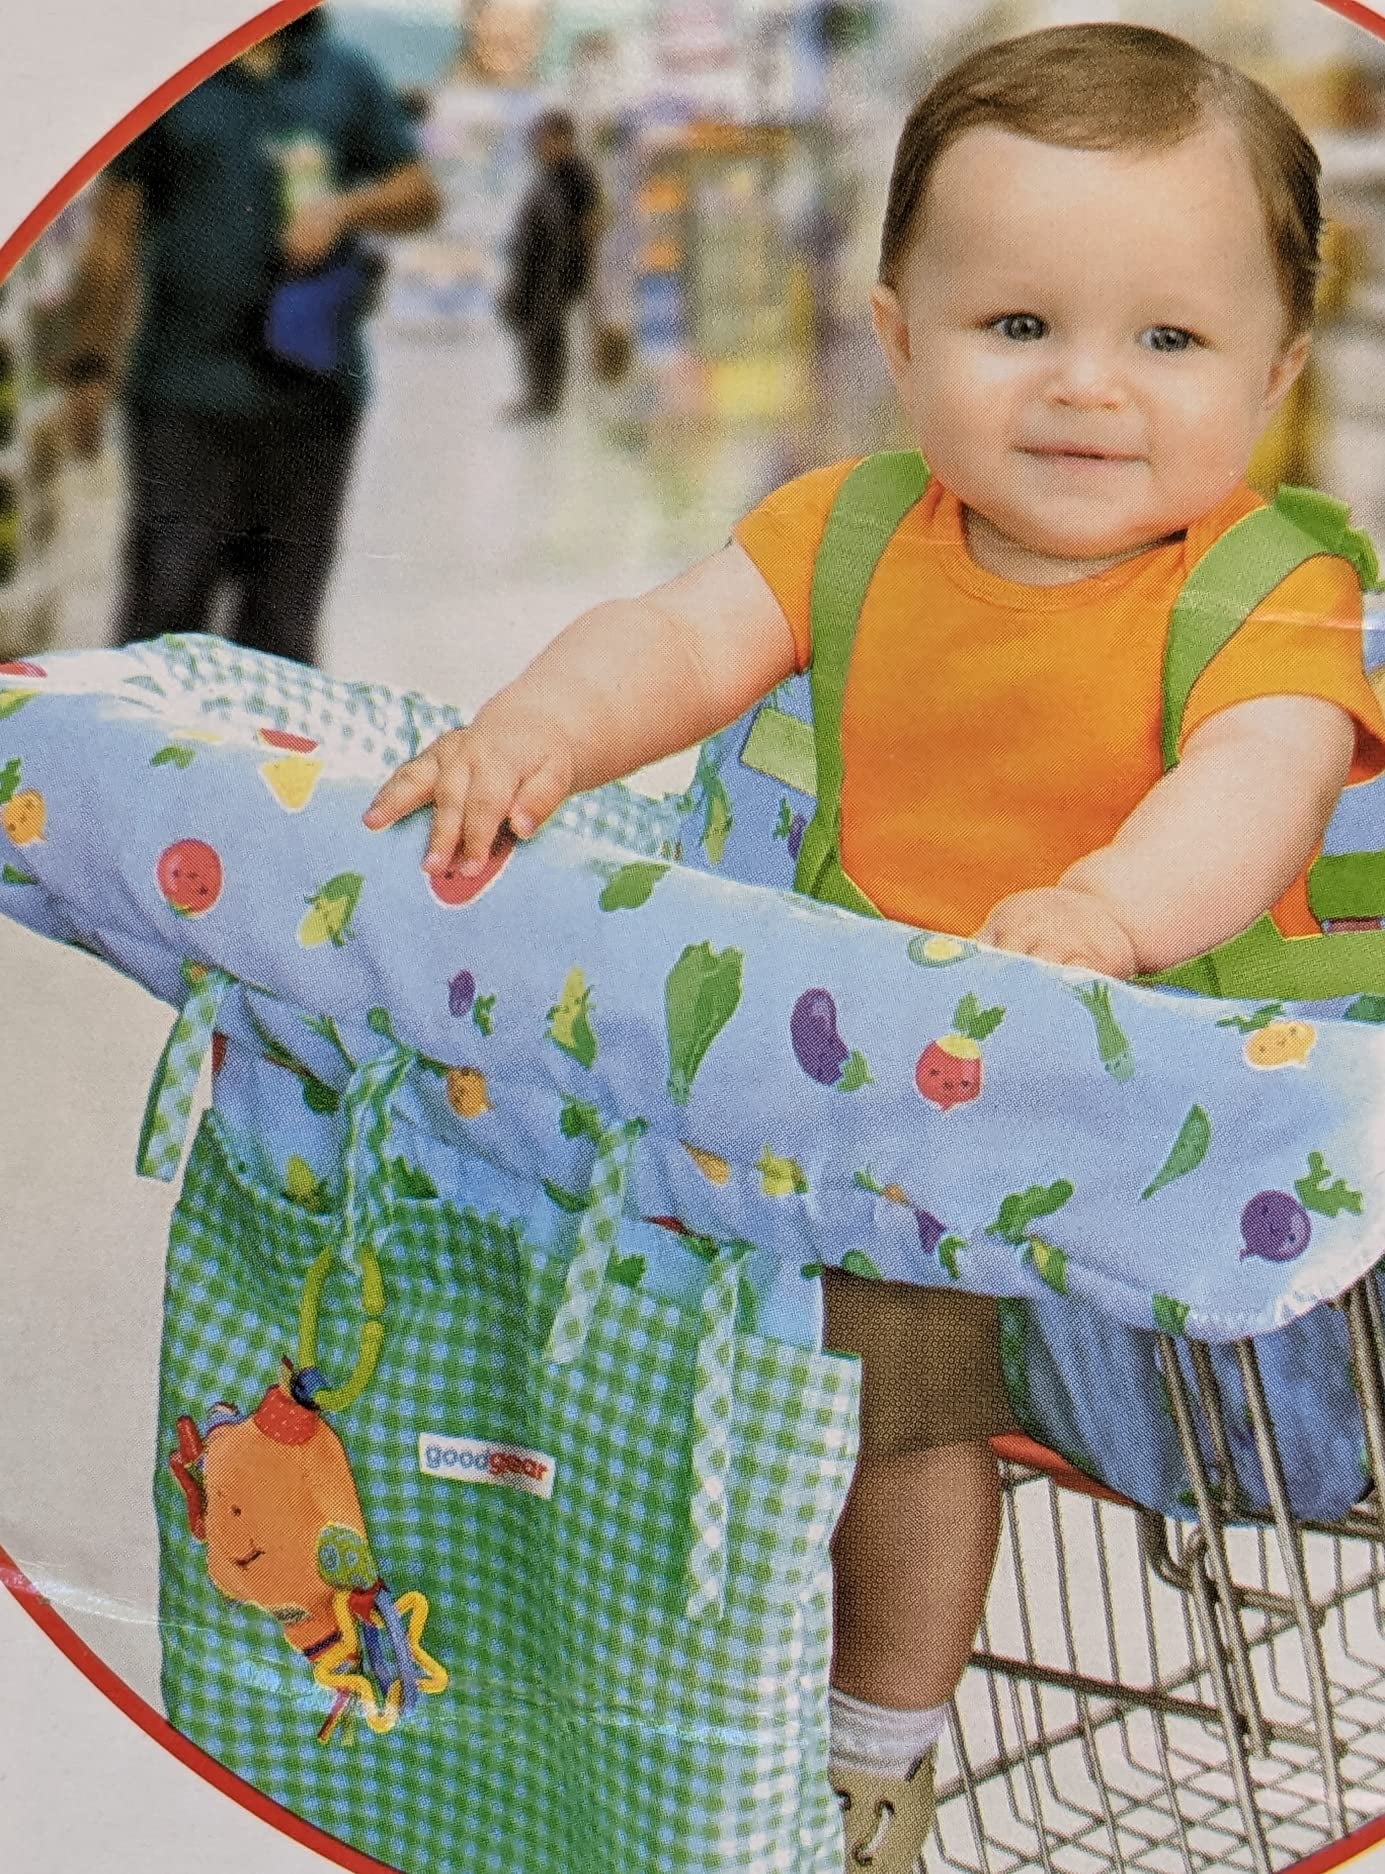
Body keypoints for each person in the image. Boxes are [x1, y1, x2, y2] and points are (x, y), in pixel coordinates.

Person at [363, 24, 1385, 1872]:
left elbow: (1259, 781)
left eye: (1169, 338)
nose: (1087, 387)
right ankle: (827, 1733)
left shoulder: (1268, 588)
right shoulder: (842, 531)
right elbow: (669, 643)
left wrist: (1111, 912)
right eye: (1016, 328)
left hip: (1144, 1108)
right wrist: (536, 729)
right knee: (868, 1371)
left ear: (1277, 372)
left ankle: (870, 1740)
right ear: (899, 335)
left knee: (912, 1347)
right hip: (897, 1109)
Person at [61, 6, 441, 667]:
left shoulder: (342, 77)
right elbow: (113, 233)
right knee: (164, 605)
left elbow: (419, 194)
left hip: (312, 396)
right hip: (184, 392)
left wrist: (347, 208)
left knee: (283, 624)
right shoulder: (167, 82)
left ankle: (263, 770)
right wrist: (90, 364)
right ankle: (148, 766)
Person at [498, 108, 601, 420]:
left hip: (558, 272)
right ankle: (538, 395)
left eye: (544, 139)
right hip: (537, 269)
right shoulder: (551, 173)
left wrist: (577, 273)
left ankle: (543, 399)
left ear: (563, 139)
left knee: (545, 333)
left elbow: (588, 227)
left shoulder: (578, 176)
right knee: (531, 328)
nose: (538, 146)